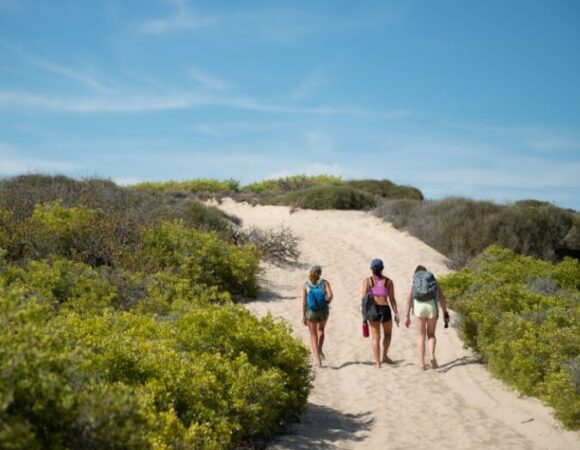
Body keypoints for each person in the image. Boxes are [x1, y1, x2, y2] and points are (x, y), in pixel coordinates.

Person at [404, 265, 450, 370]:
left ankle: (421, 363)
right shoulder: (432, 279)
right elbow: (441, 297)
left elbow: (408, 300)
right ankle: (432, 354)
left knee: (421, 336)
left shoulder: (414, 280)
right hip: (431, 306)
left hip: (419, 307)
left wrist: (407, 316)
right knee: (431, 334)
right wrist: (445, 312)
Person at [361, 258, 399, 368]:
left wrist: (364, 314)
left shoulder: (367, 281)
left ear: (371, 269)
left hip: (373, 309)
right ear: (382, 268)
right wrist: (396, 313)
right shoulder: (388, 281)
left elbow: (363, 298)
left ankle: (378, 363)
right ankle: (385, 356)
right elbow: (392, 299)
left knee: (375, 337)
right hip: (385, 309)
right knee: (388, 334)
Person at [302, 264, 333, 367]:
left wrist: (303, 315)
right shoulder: (324, 283)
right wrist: (327, 302)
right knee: (321, 330)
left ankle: (318, 361)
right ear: (320, 273)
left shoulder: (306, 285)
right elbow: (330, 296)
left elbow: (304, 302)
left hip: (311, 312)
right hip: (323, 310)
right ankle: (320, 349)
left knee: (313, 335)